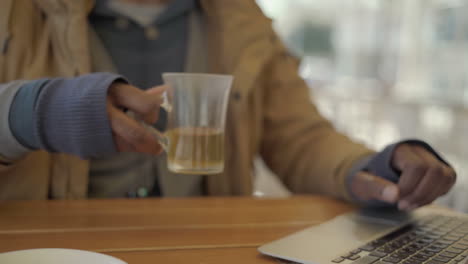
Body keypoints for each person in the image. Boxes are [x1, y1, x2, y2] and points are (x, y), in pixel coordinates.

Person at [0, 0, 456, 210]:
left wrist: (378, 166)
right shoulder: (15, 12)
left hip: (205, 244)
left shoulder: (242, 18)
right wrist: (34, 111)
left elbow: (302, 138)